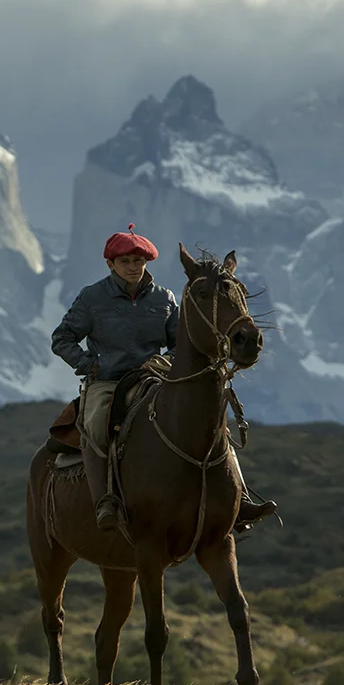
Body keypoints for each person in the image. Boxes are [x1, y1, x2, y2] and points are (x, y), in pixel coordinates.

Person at [52, 225, 274, 532]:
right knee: (95, 423)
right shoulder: (92, 298)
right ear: (111, 265)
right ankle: (106, 500)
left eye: (139, 261)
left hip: (153, 377)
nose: (133, 267)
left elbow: (179, 343)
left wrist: (166, 361)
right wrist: (89, 365)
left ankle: (239, 498)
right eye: (126, 261)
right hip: (107, 381)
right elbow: (62, 338)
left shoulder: (165, 298)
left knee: (207, 420)